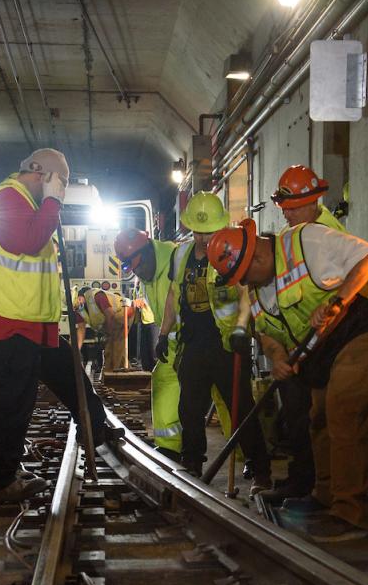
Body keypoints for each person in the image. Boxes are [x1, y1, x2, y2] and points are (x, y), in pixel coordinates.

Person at [206, 216, 368, 541]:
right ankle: (325, 498)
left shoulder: (306, 241)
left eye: (244, 275)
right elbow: (267, 333)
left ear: (257, 257)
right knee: (319, 418)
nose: (244, 284)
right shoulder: (255, 290)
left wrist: (337, 301)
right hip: (326, 348)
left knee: (343, 414)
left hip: (367, 328)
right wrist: (278, 356)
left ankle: (350, 514)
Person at [0, 147, 69, 504]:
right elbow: (24, 241)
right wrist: (53, 203)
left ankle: (2, 472)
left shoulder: (20, 201)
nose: (61, 191)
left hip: (16, 323)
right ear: (43, 175)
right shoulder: (9, 196)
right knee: (6, 403)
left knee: (11, 403)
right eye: (60, 183)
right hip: (5, 323)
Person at [157, 191, 272, 494]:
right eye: (198, 231)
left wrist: (240, 329)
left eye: (208, 231)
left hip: (225, 345)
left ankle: (261, 470)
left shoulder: (230, 250)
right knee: (189, 409)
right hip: (193, 344)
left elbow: (247, 292)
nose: (203, 238)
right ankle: (192, 462)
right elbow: (173, 294)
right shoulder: (180, 254)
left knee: (241, 409)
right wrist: (163, 332)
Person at [114, 229, 181, 460]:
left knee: (225, 397)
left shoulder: (176, 259)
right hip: (173, 343)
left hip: (204, 340)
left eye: (137, 265)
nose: (138, 273)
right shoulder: (148, 273)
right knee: (162, 381)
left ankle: (250, 455)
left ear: (148, 250)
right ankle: (170, 447)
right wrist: (163, 337)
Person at [74, 286, 134, 372]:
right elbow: (81, 330)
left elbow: (111, 316)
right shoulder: (80, 309)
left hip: (123, 312)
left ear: (83, 295)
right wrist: (76, 350)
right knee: (111, 349)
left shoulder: (97, 296)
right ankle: (117, 373)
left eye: (79, 299)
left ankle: (115, 375)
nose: (78, 302)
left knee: (116, 346)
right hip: (112, 320)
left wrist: (109, 334)